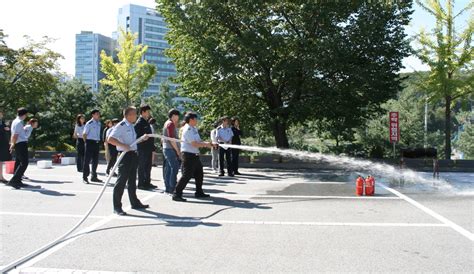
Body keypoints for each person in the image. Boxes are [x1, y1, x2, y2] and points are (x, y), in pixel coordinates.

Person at [107, 106, 150, 215]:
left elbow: (132, 142)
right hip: (125, 156)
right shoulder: (121, 125)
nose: (136, 115)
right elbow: (110, 139)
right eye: (135, 114)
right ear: (128, 115)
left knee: (132, 181)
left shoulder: (131, 126)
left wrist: (141, 139)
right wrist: (122, 145)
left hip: (133, 155)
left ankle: (134, 202)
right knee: (121, 181)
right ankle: (117, 207)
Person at [172, 112, 212, 202]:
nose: (197, 121)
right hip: (188, 155)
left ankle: (199, 192)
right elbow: (194, 143)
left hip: (194, 154)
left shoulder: (194, 128)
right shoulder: (187, 129)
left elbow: (198, 141)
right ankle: (176, 193)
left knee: (199, 174)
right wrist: (206, 145)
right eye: (195, 119)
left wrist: (207, 143)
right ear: (191, 120)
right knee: (187, 175)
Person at [8, 108, 37, 189]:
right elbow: (15, 135)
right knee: (24, 162)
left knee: (18, 161)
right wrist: (12, 144)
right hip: (20, 143)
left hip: (18, 143)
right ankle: (14, 181)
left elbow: (13, 134)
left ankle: (17, 180)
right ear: (25, 114)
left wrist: (12, 143)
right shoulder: (19, 122)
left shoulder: (15, 121)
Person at [134, 104, 157, 190]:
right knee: (142, 166)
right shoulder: (139, 123)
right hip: (142, 148)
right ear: (143, 112)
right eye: (147, 112)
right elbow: (136, 137)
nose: (149, 113)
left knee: (148, 166)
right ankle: (140, 183)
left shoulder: (146, 122)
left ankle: (147, 182)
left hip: (148, 148)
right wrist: (143, 139)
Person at [162, 109, 181, 194]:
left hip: (167, 148)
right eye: (177, 116)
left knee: (169, 168)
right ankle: (172, 187)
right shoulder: (170, 124)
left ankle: (168, 187)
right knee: (174, 168)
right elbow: (171, 139)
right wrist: (177, 150)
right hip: (170, 149)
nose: (178, 118)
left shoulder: (166, 123)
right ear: (173, 116)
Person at [83, 109, 102, 184]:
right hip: (90, 142)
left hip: (96, 143)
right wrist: (86, 142)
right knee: (87, 160)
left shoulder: (99, 123)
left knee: (95, 161)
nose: (98, 115)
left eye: (99, 114)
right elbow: (84, 134)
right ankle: (85, 177)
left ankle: (94, 176)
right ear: (93, 115)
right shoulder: (89, 123)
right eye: (97, 114)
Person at [0, 110, 12, 183]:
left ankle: (1, 177)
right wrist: (4, 128)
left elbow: (5, 129)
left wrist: (6, 128)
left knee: (1, 162)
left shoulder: (2, 121)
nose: (2, 115)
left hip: (2, 143)